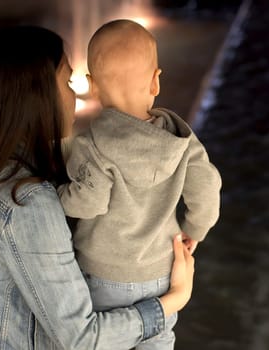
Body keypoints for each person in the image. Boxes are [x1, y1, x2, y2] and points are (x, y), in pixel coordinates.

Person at [0, 25, 194, 349]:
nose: (76, 96)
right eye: (69, 82)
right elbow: (82, 339)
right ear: (39, 98)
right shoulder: (26, 202)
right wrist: (173, 300)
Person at [58, 19, 222, 349]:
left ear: (92, 86)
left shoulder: (92, 145)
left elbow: (88, 202)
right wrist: (195, 230)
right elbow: (207, 190)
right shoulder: (182, 141)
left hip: (102, 274)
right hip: (161, 274)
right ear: (155, 82)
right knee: (158, 337)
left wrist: (60, 195)